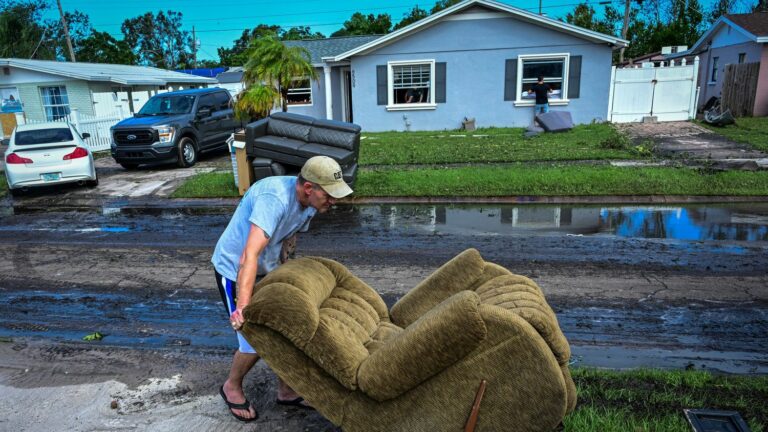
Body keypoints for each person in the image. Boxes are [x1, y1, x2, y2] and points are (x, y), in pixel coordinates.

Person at [211, 156, 353, 422]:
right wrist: (243, 307)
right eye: (330, 195)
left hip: (268, 266)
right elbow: (248, 256)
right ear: (309, 188)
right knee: (252, 338)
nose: (334, 201)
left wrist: (286, 271)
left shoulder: (310, 204)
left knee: (285, 329)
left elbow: (290, 234)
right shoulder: (273, 199)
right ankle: (232, 386)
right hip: (235, 270)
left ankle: (286, 391)